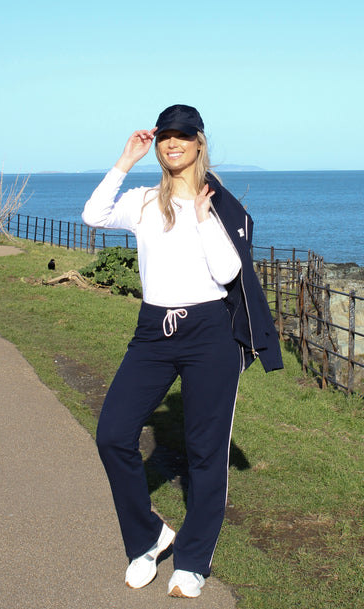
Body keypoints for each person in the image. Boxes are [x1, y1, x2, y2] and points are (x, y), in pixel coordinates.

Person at [81, 104, 283, 599]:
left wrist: (201, 219)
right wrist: (124, 160)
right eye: (165, 136)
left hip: (209, 333)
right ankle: (148, 537)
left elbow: (228, 272)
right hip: (153, 331)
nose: (172, 143)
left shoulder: (218, 205)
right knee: (113, 435)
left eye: (182, 135)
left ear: (198, 142)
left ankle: (193, 560)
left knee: (206, 450)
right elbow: (93, 215)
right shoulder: (144, 200)